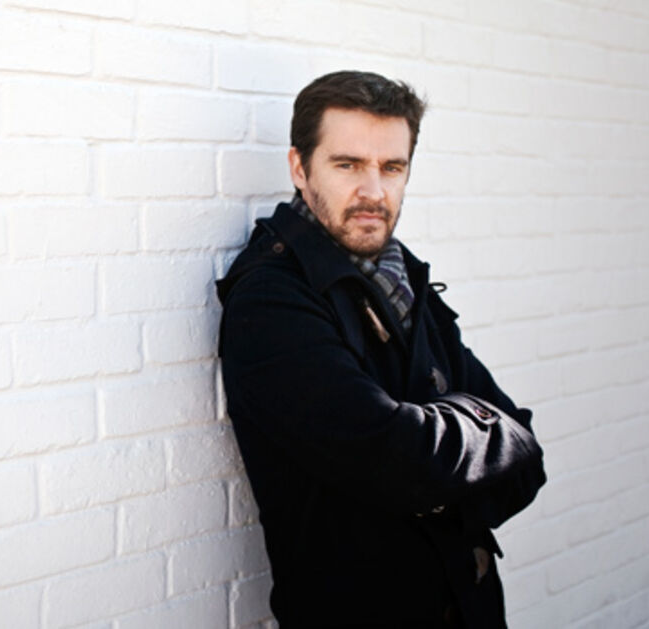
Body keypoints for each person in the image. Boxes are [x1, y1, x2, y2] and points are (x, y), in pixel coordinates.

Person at [216, 71, 546, 629]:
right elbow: (398, 461)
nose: (373, 191)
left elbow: (524, 449)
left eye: (391, 167)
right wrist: (463, 449)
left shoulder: (402, 277)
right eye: (347, 165)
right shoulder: (271, 300)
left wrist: (437, 472)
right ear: (300, 168)